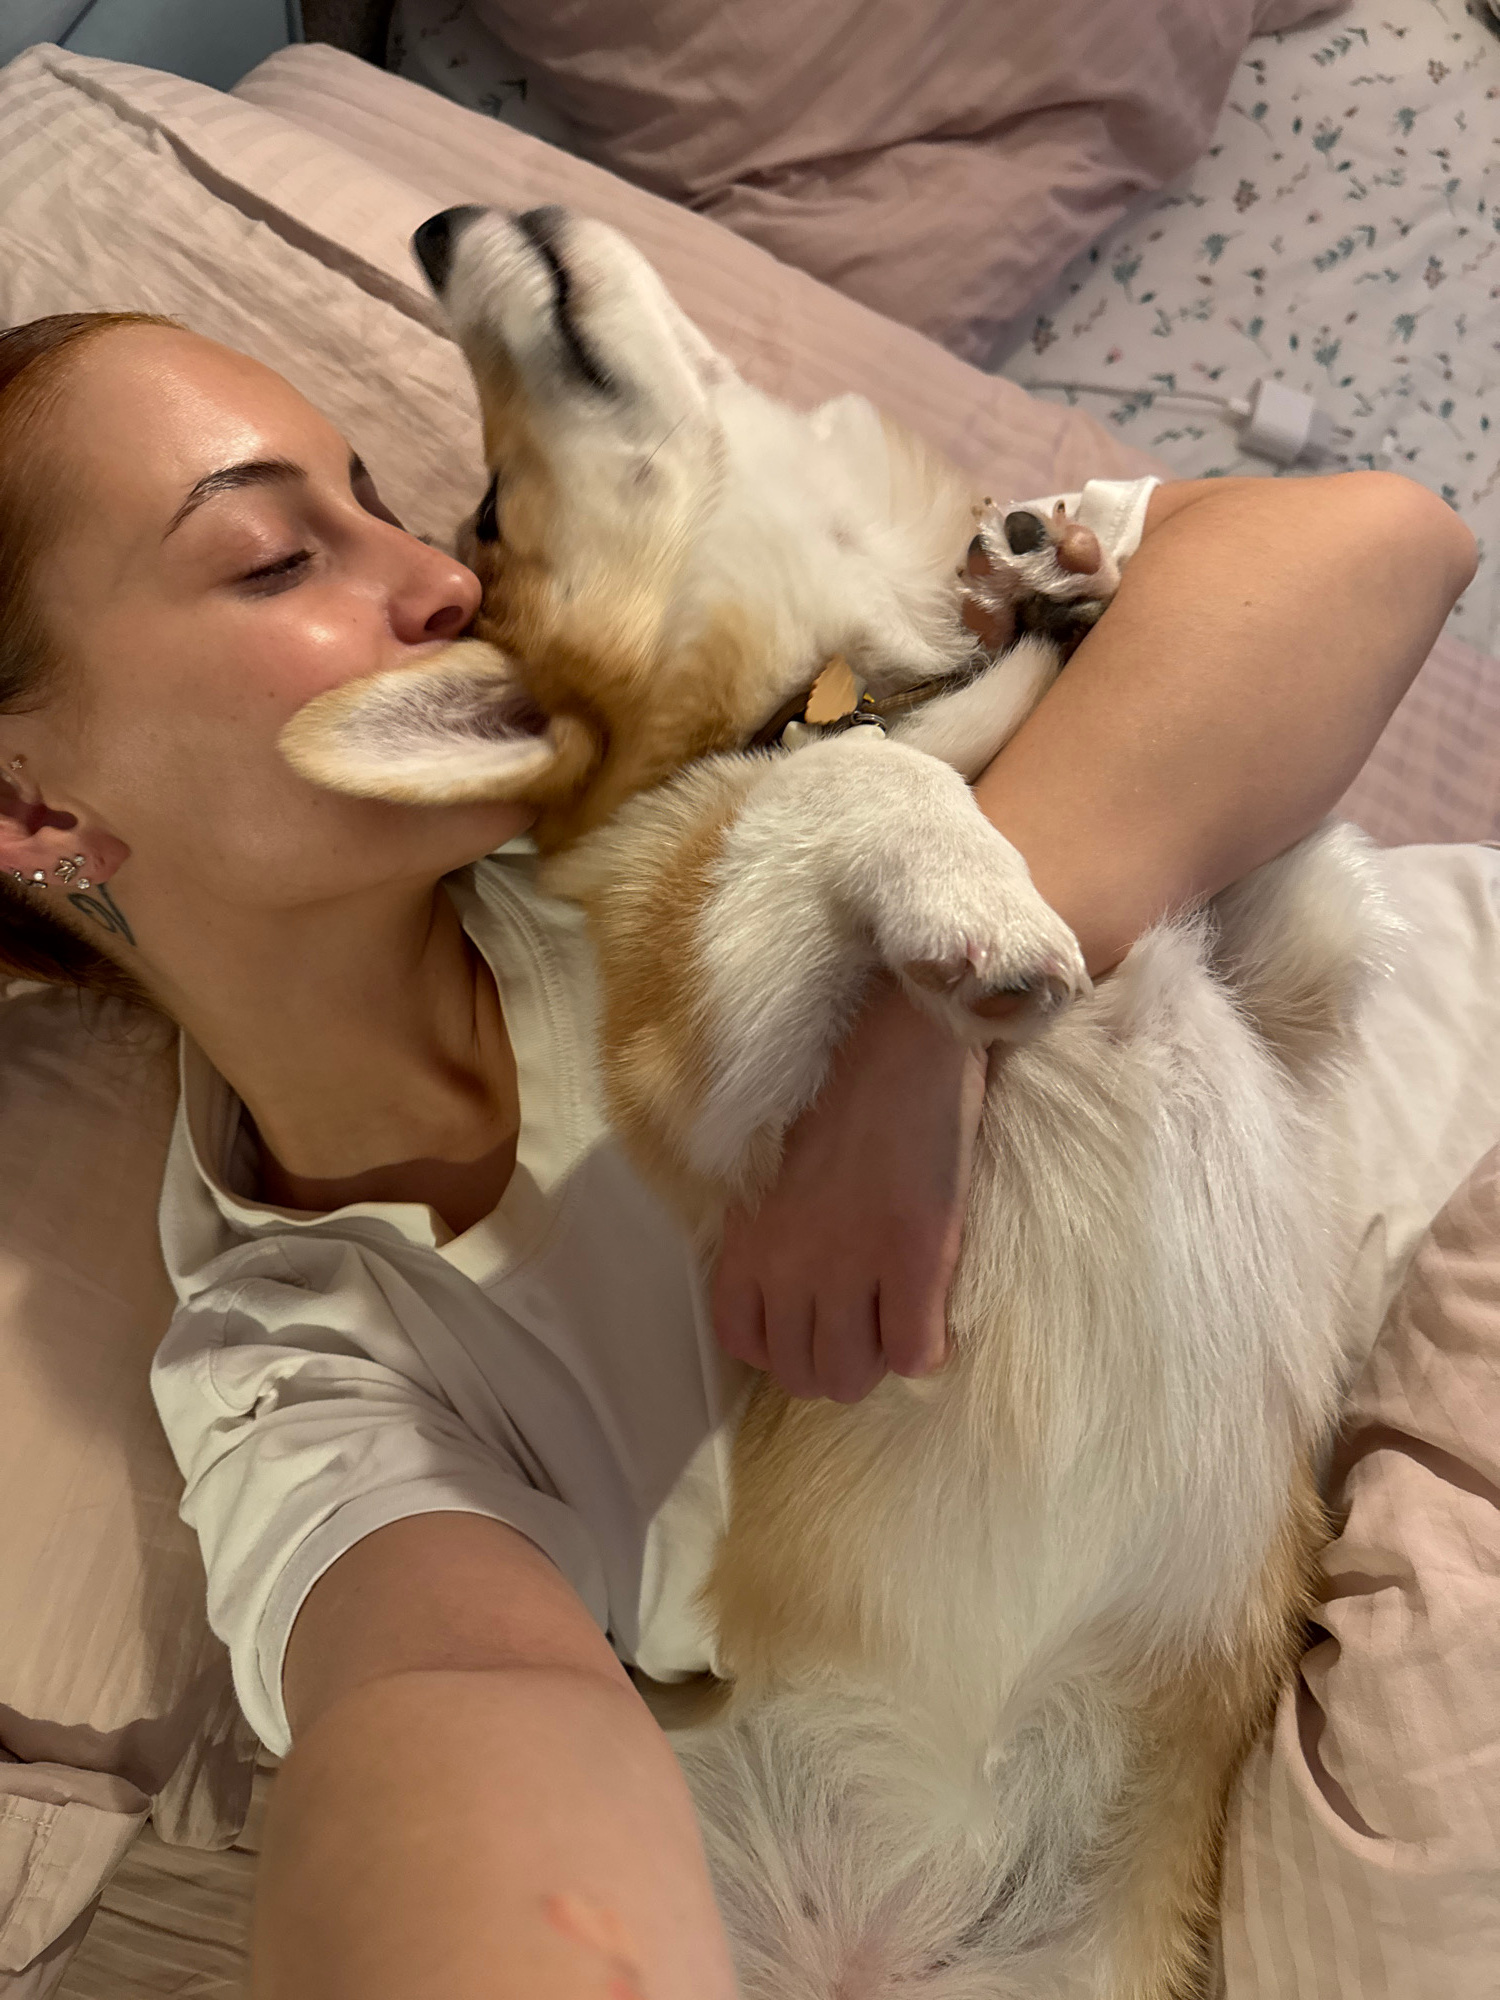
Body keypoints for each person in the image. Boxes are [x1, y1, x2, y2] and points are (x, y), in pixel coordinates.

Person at [0, 309, 1477, 2000]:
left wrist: (915, 1044)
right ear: (34, 810)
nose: (445, 579)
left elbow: (1376, 544)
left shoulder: (714, 726)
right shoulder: (294, 1351)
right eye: (275, 557)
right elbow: (455, 1691)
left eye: (381, 503)